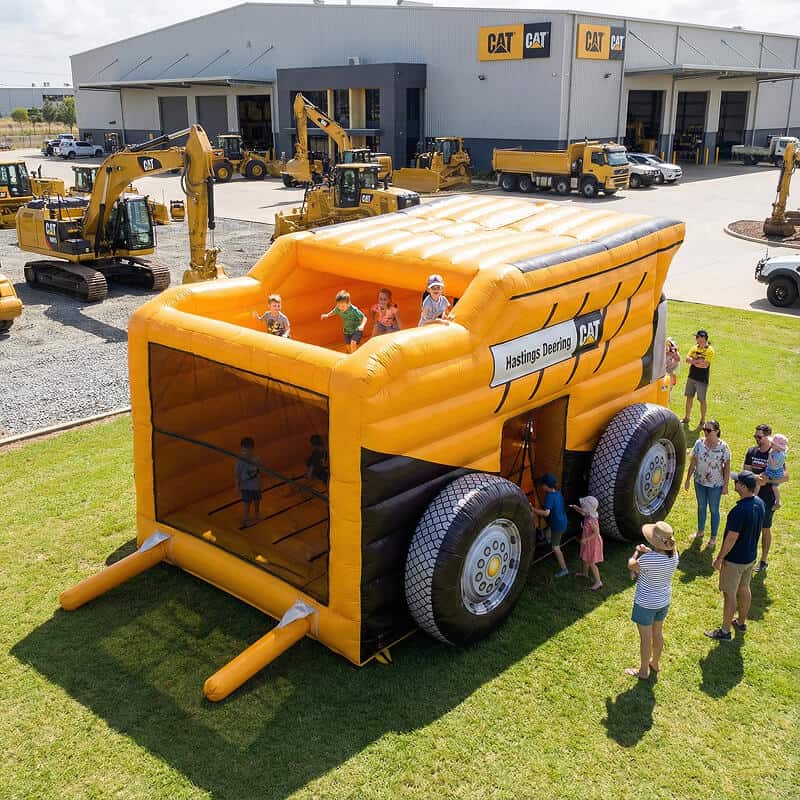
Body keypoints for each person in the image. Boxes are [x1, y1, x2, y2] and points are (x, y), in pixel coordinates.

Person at [705, 471, 765, 641]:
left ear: (744, 487)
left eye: (737, 481)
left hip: (735, 560)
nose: (734, 483)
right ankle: (740, 622)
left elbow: (732, 537)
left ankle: (724, 631)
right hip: (750, 557)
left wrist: (720, 557)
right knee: (744, 588)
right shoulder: (759, 503)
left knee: (729, 594)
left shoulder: (739, 510)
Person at [625, 521, 679, 679]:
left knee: (646, 639)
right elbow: (660, 557)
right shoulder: (674, 555)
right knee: (657, 633)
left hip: (646, 604)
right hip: (663, 601)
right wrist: (648, 551)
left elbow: (632, 565)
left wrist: (636, 552)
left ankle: (642, 672)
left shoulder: (648, 560)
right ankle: (655, 662)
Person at [744, 424, 790, 573]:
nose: (756, 439)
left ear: (768, 437)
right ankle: (748, 559)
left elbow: (786, 477)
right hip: (751, 497)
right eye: (755, 436)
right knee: (750, 529)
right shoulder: (752, 452)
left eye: (759, 437)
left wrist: (767, 481)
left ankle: (763, 560)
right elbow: (745, 472)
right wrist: (756, 478)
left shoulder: (776, 454)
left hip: (768, 498)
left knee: (765, 529)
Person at [684, 419, 730, 549]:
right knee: (701, 507)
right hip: (699, 481)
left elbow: (727, 468)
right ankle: (700, 531)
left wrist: (725, 486)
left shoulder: (723, 448)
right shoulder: (699, 443)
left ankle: (713, 537)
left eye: (708, 430)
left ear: (716, 431)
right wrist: (687, 479)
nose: (705, 432)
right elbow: (693, 462)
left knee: (714, 510)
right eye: (704, 429)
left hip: (715, 485)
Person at [531, 473, 569, 578]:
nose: (541, 486)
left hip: (557, 526)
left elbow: (546, 513)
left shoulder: (549, 497)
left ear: (546, 486)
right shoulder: (558, 493)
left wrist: (533, 509)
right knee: (548, 534)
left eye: (542, 485)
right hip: (562, 521)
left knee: (556, 547)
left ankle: (564, 569)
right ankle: (548, 541)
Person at [682, 329, 715, 425]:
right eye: (697, 338)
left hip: (702, 379)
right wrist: (697, 362)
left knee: (702, 400)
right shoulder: (694, 347)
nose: (698, 340)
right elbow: (687, 359)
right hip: (691, 376)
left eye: (700, 338)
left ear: (705, 339)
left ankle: (703, 420)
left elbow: (705, 365)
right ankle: (687, 418)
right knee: (689, 397)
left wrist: (693, 360)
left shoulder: (710, 350)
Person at [570, 495, 603, 590]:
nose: (582, 508)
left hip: (593, 542)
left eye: (583, 506)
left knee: (592, 562)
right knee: (585, 557)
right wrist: (575, 507)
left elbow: (596, 533)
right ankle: (585, 573)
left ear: (588, 509)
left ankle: (598, 582)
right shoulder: (589, 514)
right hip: (588, 542)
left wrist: (585, 539)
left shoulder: (592, 521)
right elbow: (582, 512)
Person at [235, 436, 262, 528]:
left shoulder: (256, 459)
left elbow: (259, 471)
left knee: (257, 501)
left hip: (255, 486)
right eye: (243, 451)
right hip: (246, 487)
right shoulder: (240, 462)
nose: (244, 454)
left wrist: (259, 483)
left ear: (252, 450)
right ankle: (246, 519)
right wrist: (237, 486)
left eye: (247, 451)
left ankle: (257, 514)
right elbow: (237, 474)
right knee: (247, 503)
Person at [763, 433, 788, 510]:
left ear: (778, 446)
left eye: (773, 444)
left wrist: (770, 455)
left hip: (773, 471)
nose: (771, 445)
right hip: (776, 471)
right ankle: (777, 502)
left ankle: (777, 502)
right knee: (773, 486)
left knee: (763, 481)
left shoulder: (779, 455)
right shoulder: (780, 452)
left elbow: (773, 464)